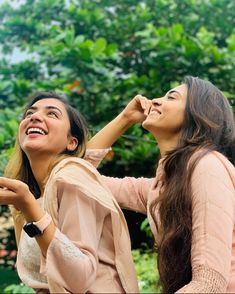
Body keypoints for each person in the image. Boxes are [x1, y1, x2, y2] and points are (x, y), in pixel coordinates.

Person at [86, 76, 235, 293]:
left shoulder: (207, 166)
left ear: (198, 113)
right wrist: (125, 118)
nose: (155, 100)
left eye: (171, 97)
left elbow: (210, 282)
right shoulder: (160, 187)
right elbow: (74, 179)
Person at [0, 92, 139, 293]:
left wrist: (29, 206)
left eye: (52, 114)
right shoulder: (28, 196)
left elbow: (79, 280)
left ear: (71, 142)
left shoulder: (71, 177)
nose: (34, 117)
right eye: (30, 113)